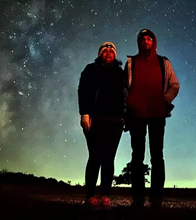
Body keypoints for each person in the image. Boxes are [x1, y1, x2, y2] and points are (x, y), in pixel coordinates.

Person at [124, 29, 180, 208]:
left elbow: (174, 84)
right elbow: (124, 86)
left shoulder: (163, 62)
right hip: (136, 114)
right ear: (139, 42)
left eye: (149, 39)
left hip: (157, 114)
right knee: (137, 157)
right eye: (143, 39)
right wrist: (127, 103)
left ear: (154, 42)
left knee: (157, 156)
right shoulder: (131, 62)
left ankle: (156, 197)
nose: (146, 41)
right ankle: (138, 198)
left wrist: (165, 100)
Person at [78, 42, 126, 210]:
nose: (108, 52)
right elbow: (83, 90)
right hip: (95, 119)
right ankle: (90, 196)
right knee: (95, 157)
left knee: (109, 159)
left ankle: (105, 195)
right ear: (100, 54)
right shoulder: (90, 69)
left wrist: (125, 116)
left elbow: (126, 94)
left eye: (111, 50)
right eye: (104, 50)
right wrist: (84, 113)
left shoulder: (121, 73)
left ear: (115, 54)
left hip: (115, 120)